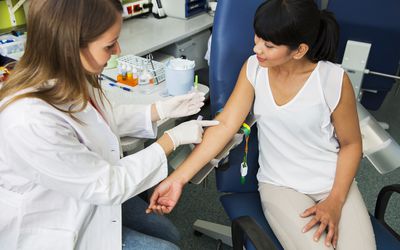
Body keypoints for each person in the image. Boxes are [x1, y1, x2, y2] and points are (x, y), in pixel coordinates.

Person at [147, 0, 377, 249]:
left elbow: (351, 144)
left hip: (333, 182)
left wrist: (335, 201)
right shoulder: (255, 69)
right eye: (257, 38)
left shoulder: (333, 79)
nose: (257, 48)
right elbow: (224, 126)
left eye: (268, 45)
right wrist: (178, 179)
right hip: (281, 186)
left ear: (299, 50)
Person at [0, 0, 219, 249]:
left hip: (86, 192)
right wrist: (171, 140)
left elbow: (94, 120)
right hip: (54, 222)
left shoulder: (66, 76)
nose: (117, 50)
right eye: (108, 45)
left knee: (169, 233)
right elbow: (109, 184)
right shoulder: (28, 121)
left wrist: (158, 110)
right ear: (70, 46)